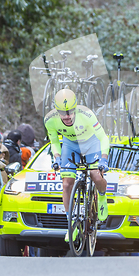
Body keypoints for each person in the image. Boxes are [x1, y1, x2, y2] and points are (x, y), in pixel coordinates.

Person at [44, 89, 109, 242]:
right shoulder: (49, 120)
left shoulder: (86, 114)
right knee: (66, 183)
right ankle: (71, 223)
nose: (67, 116)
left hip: (91, 143)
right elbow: (54, 141)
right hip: (70, 144)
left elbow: (103, 138)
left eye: (70, 112)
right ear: (56, 110)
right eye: (63, 113)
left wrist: (104, 159)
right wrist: (57, 158)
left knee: (95, 175)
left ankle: (102, 196)